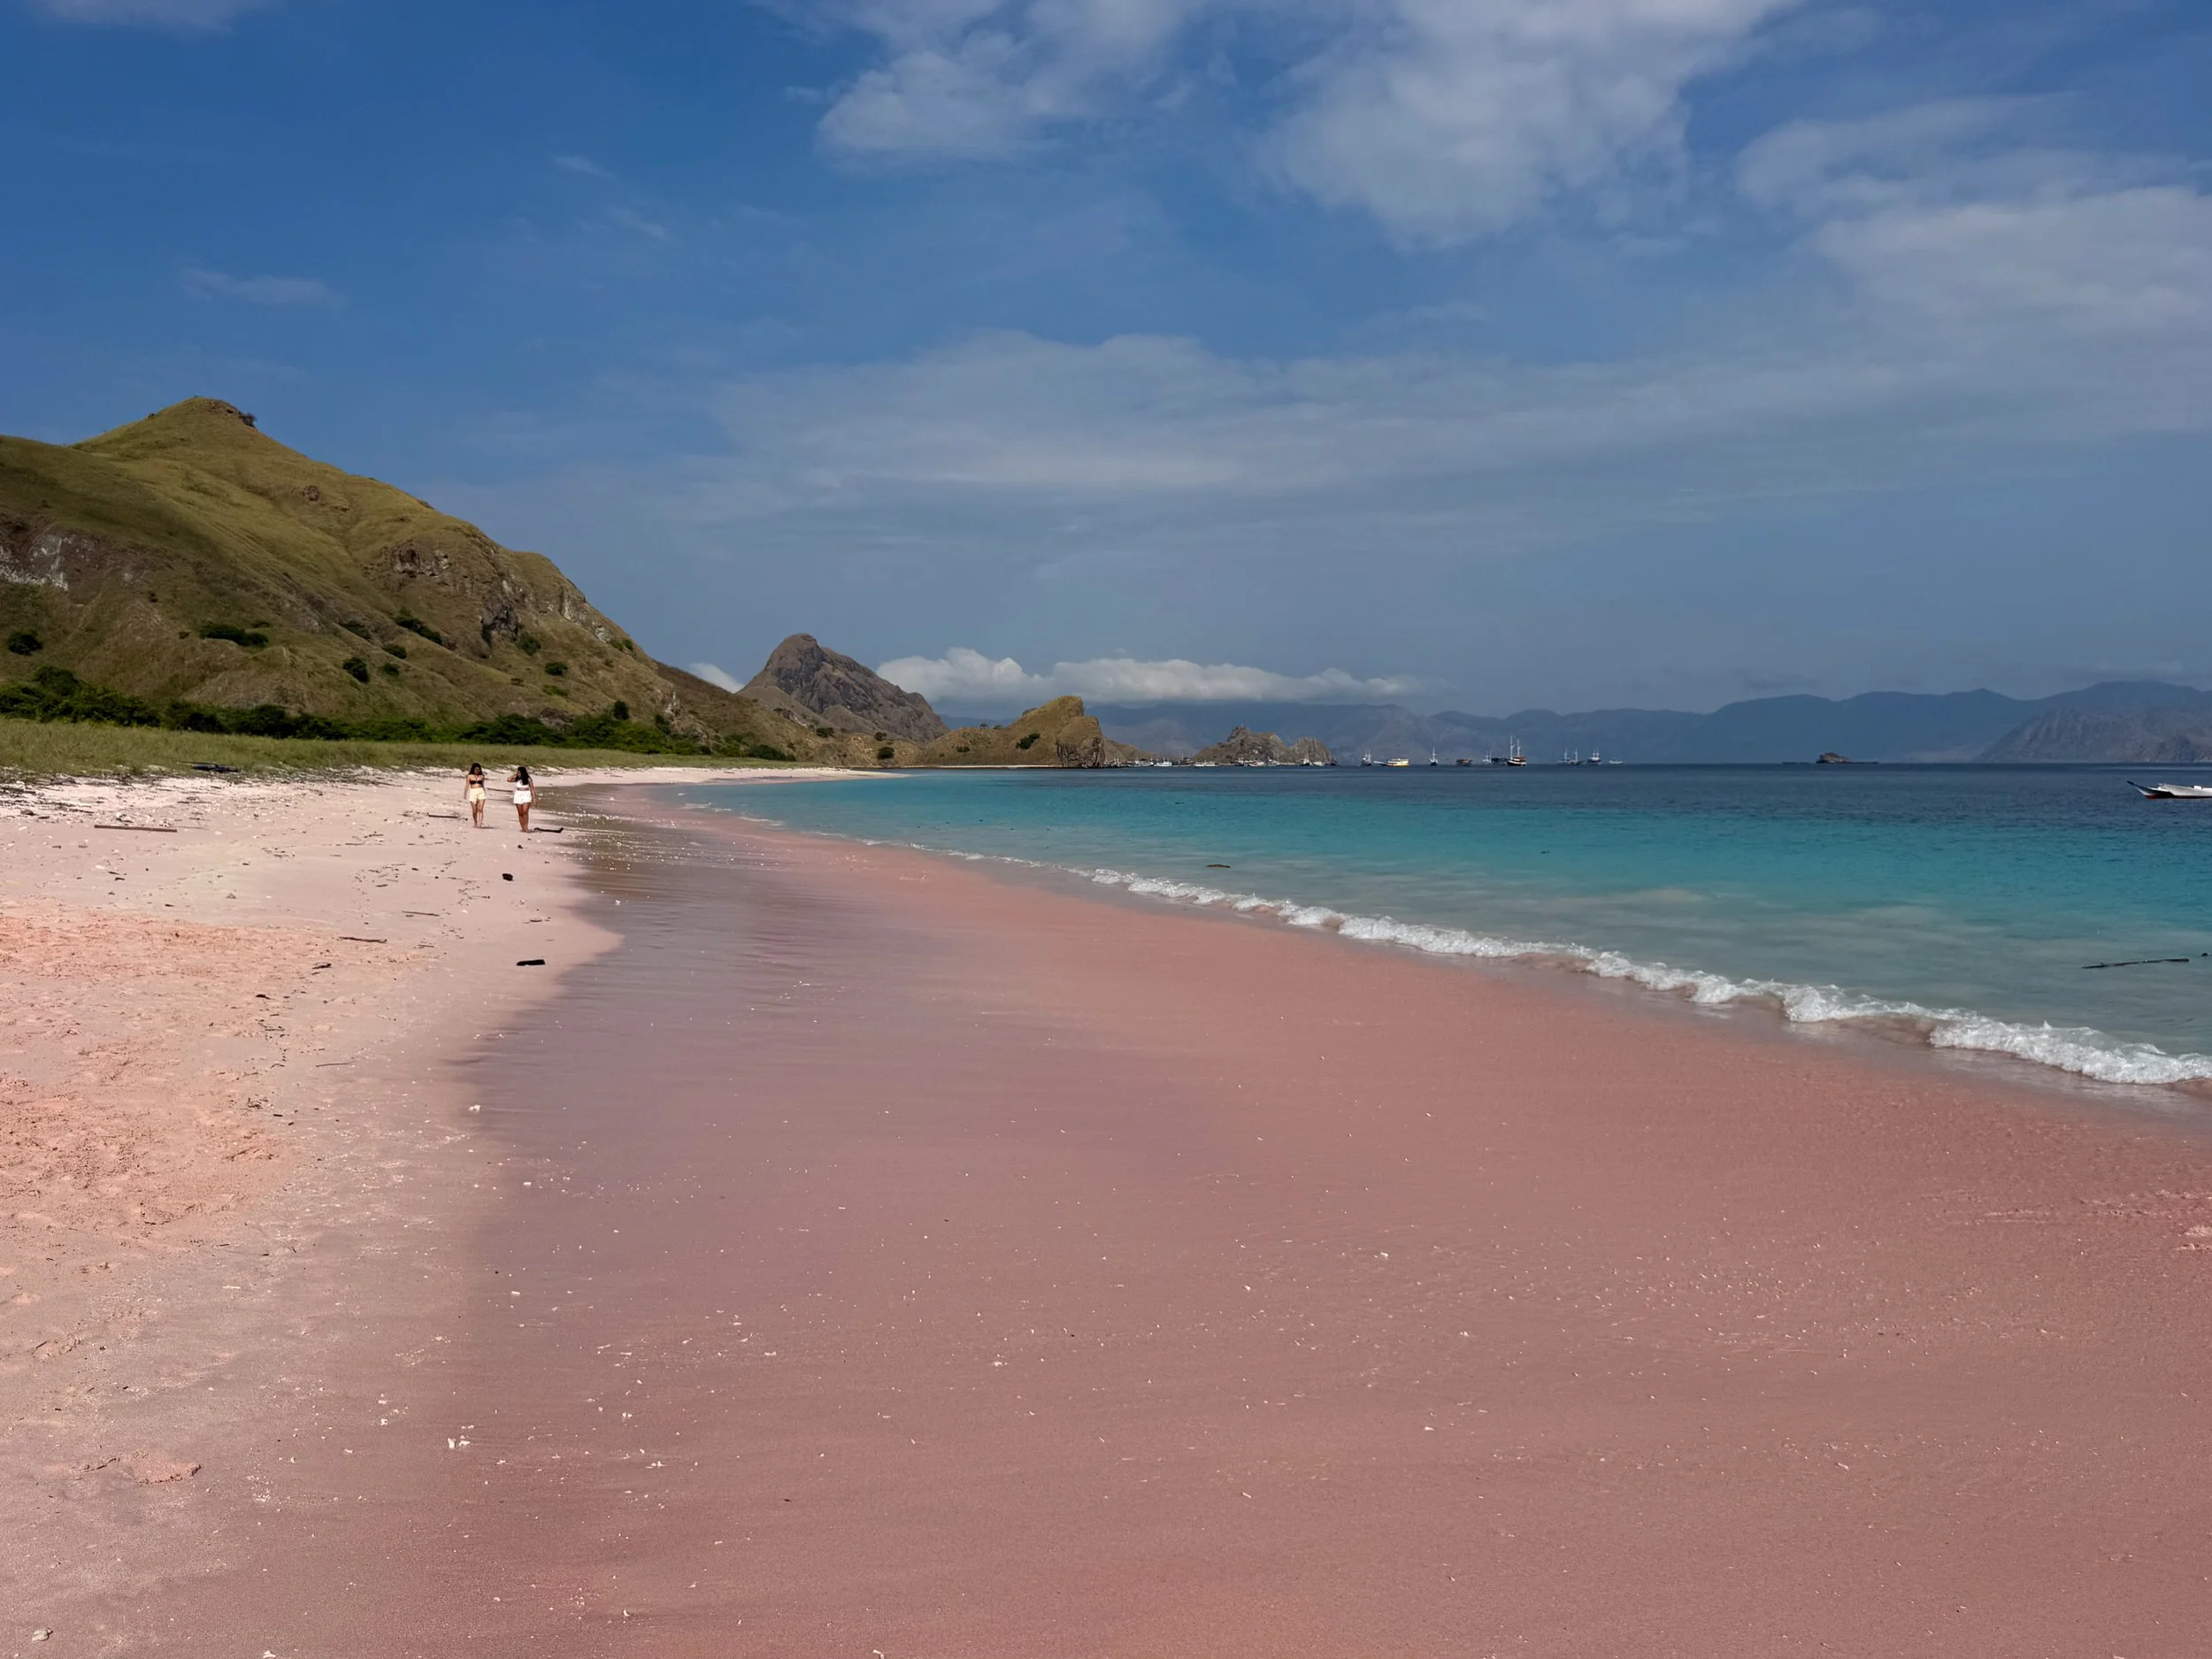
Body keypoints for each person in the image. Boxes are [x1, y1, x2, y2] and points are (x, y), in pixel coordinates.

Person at [509, 763, 534, 833]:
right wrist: (514, 774)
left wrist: (534, 799)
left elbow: (532, 789)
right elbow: (509, 780)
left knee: (525, 811)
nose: (518, 774)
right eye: (518, 773)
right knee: (520, 813)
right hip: (518, 795)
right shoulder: (517, 779)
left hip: (526, 794)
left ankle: (526, 827)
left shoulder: (528, 779)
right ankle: (523, 828)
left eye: (519, 773)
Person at [463, 762, 487, 828]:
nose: (477, 771)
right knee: (474, 809)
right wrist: (465, 793)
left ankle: (480, 824)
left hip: (481, 791)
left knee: (481, 808)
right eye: (476, 770)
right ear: (473, 769)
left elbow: (483, 785)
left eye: (478, 770)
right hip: (473, 792)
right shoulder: (469, 776)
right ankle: (475, 822)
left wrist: (484, 792)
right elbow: (467, 785)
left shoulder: (482, 776)